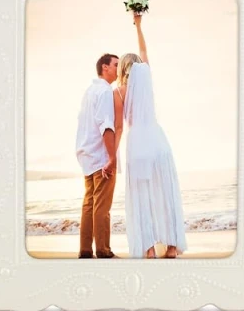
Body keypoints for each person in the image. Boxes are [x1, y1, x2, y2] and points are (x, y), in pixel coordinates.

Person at [112, 14, 187, 259]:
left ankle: (149, 249)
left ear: (122, 69)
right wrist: (138, 25)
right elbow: (144, 51)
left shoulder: (118, 92)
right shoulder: (147, 78)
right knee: (166, 193)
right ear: (138, 66)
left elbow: (119, 127)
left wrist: (112, 156)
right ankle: (173, 247)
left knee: (141, 197)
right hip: (157, 141)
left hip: (137, 145)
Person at [75, 53, 119, 258]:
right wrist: (112, 157)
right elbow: (106, 126)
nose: (119, 68)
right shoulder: (105, 92)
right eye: (116, 64)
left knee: (89, 204)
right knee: (101, 205)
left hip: (86, 153)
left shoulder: (89, 91)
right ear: (105, 67)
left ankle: (85, 250)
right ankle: (103, 249)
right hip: (100, 155)